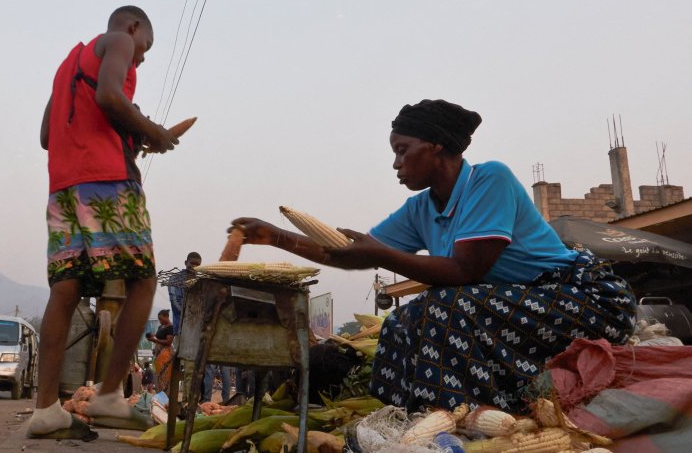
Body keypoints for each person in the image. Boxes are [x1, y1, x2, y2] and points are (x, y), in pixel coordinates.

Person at [231, 99, 636, 414]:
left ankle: (463, 412)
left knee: (440, 306)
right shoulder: (422, 208)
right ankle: (413, 415)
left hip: (581, 301)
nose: (396, 164)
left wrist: (382, 255)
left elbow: (466, 270)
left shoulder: (489, 179)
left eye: (403, 150)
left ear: (436, 145)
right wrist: (276, 237)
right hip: (513, 308)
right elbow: (353, 255)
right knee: (400, 321)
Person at [28, 5, 183, 441]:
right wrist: (153, 131)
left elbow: (47, 135)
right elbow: (110, 98)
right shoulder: (117, 39)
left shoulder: (69, 64)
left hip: (64, 187)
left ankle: (45, 411)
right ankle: (110, 393)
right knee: (143, 280)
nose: (141, 59)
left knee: (65, 289)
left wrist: (129, 135)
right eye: (144, 47)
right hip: (106, 183)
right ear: (133, 28)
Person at [167, 251, 202, 336]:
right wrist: (192, 315)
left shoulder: (201, 280)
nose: (194, 266)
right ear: (186, 263)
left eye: (197, 264)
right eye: (192, 263)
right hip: (181, 328)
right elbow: (175, 303)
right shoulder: (175, 278)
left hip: (198, 329)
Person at [147, 309, 174, 392]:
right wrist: (152, 336)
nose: (160, 321)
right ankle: (160, 395)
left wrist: (155, 340)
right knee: (158, 376)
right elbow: (158, 336)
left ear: (167, 317)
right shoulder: (161, 327)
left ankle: (165, 398)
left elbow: (168, 342)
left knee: (165, 376)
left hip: (165, 355)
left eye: (161, 319)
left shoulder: (170, 327)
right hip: (158, 355)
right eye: (159, 319)